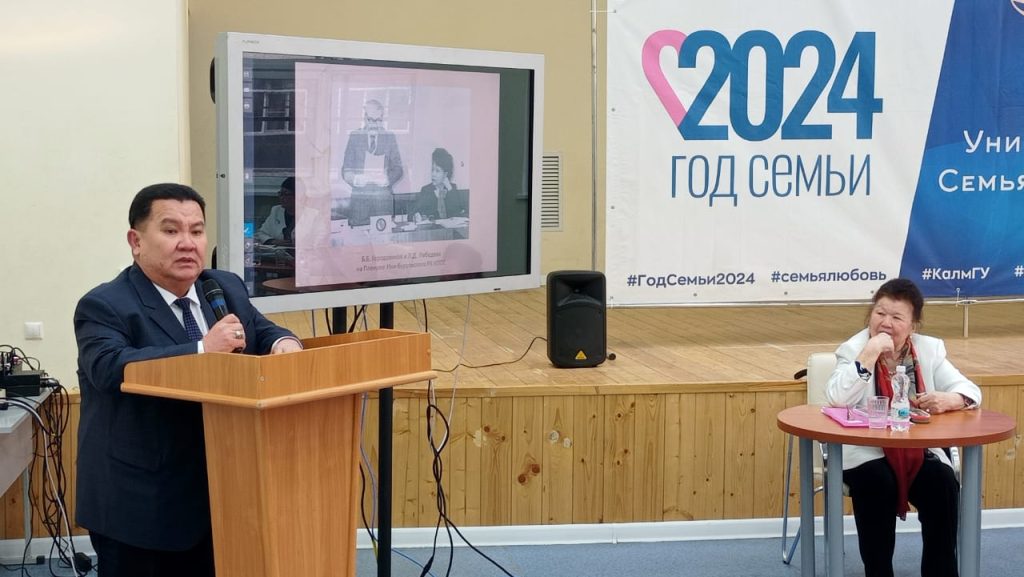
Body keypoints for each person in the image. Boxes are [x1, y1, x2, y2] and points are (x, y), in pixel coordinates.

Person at [74, 183, 303, 577]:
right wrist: (202, 349)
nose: (187, 243)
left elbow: (258, 328)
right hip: (140, 505)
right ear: (136, 241)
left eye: (196, 231)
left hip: (223, 495)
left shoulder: (222, 286)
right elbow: (110, 368)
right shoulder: (105, 305)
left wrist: (284, 342)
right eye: (171, 230)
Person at [825, 278, 981, 577]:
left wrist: (952, 398)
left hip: (917, 450)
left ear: (913, 326)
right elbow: (837, 397)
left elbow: (969, 390)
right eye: (880, 313)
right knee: (877, 481)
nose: (886, 323)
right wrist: (869, 353)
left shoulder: (929, 349)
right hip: (865, 451)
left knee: (942, 482)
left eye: (897, 317)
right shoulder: (854, 348)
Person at [339, 99, 405, 225]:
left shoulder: (389, 137)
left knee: (384, 236)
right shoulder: (355, 136)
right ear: (365, 118)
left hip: (383, 204)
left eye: (378, 120)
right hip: (360, 205)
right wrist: (355, 179)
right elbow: (346, 169)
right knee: (358, 236)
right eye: (370, 120)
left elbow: (398, 169)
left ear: (382, 118)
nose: (374, 124)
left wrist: (387, 179)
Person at [411, 147, 468, 222]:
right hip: (433, 229)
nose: (433, 174)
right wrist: (415, 216)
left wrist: (449, 188)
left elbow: (458, 212)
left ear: (445, 174)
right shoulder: (426, 190)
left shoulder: (452, 189)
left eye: (437, 171)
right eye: (432, 170)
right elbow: (412, 213)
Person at [254, 176, 296, 245]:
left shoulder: (312, 215)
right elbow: (261, 234)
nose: (282, 198)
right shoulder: (276, 210)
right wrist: (273, 241)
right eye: (280, 194)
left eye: (286, 194)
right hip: (279, 251)